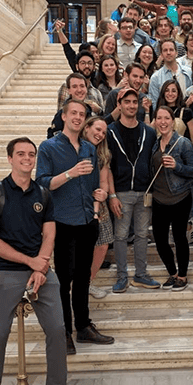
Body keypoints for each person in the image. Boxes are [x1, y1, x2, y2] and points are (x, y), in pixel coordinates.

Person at [0, 137, 77, 385]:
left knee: (58, 329)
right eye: (20, 154)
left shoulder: (44, 194)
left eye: (31, 154)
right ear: (10, 158)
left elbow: (49, 234)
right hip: (4, 270)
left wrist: (42, 264)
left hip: (40, 269)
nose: (27, 158)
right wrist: (30, 262)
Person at [37, 98, 115, 354]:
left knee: (82, 278)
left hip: (86, 220)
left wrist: (100, 198)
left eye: (82, 114)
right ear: (64, 115)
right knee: (63, 279)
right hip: (62, 221)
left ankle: (83, 326)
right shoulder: (48, 147)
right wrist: (70, 173)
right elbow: (43, 184)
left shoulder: (88, 148)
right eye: (74, 113)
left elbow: (94, 184)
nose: (78, 117)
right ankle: (63, 332)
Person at [107, 88, 161, 293]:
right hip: (121, 192)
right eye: (127, 102)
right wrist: (112, 195)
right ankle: (122, 277)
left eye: (134, 102)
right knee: (120, 236)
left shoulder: (149, 132)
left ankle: (141, 274)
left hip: (144, 192)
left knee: (141, 235)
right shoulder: (110, 131)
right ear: (119, 104)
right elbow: (106, 166)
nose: (131, 105)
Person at [150, 106, 193, 291]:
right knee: (160, 240)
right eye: (159, 118)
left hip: (180, 197)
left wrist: (177, 166)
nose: (163, 122)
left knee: (179, 238)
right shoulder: (155, 143)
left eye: (166, 118)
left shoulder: (183, 143)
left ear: (173, 121)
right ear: (155, 121)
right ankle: (172, 273)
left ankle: (183, 276)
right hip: (159, 199)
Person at [81, 117, 114, 299]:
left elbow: (104, 181)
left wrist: (104, 194)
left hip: (98, 206)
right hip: (78, 204)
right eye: (97, 129)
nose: (100, 135)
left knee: (102, 243)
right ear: (86, 127)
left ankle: (88, 282)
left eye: (103, 132)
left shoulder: (103, 154)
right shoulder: (74, 148)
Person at [154, 79, 193, 155]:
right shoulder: (158, 111)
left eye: (173, 91)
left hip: (181, 154)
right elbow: (150, 130)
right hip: (160, 153)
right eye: (167, 90)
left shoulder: (185, 112)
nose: (170, 93)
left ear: (178, 93)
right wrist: (147, 112)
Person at [148, 39, 192, 107]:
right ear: (161, 54)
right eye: (165, 50)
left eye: (171, 50)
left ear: (176, 53)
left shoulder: (188, 72)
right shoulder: (155, 78)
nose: (168, 53)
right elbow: (154, 103)